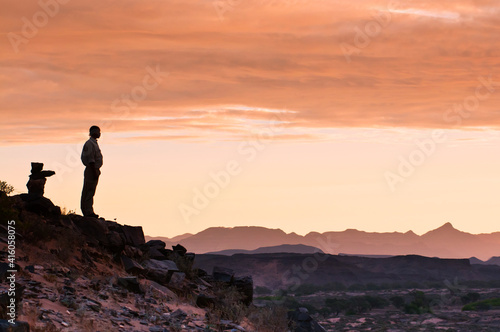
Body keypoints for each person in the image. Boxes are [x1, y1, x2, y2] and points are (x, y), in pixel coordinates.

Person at [81, 125, 103, 218]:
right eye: (98, 131)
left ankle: (89, 210)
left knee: (91, 191)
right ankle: (87, 211)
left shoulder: (94, 143)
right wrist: (94, 172)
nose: (100, 133)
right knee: (88, 190)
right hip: (91, 169)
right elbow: (91, 159)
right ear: (94, 132)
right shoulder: (90, 143)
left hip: (94, 169)